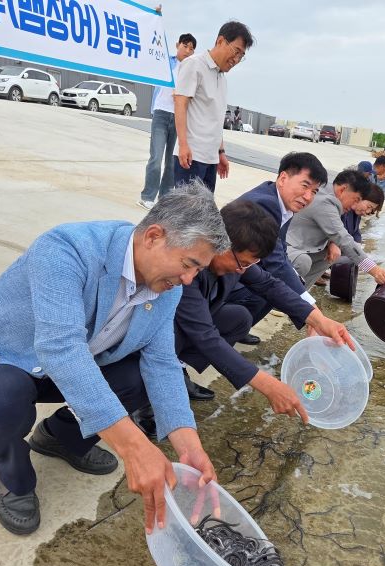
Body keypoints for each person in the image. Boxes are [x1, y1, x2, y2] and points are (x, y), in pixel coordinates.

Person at [0, 182, 229, 536]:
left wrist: (189, 447)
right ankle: (13, 477)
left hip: (77, 359)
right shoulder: (67, 248)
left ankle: (60, 438)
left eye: (198, 270)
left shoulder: (166, 285)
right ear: (154, 236)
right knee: (0, 400)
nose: (188, 279)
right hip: (6, 356)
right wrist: (134, 448)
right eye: (188, 264)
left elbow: (161, 362)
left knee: (137, 377)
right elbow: (60, 349)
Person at [174, 200, 354, 411]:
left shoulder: (238, 256)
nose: (243, 270)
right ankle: (148, 393)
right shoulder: (188, 271)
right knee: (170, 347)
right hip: (163, 332)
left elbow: (269, 284)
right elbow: (205, 335)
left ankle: (177, 368)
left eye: (249, 264)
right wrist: (268, 386)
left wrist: (318, 319)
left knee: (239, 319)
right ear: (222, 243)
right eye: (242, 263)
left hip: (196, 319)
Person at [224, 152, 328, 341]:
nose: (307, 197)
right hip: (223, 277)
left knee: (280, 285)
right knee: (270, 289)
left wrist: (307, 306)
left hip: (243, 272)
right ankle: (227, 333)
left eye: (314, 191)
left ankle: (238, 330)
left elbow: (281, 252)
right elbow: (276, 263)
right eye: (305, 186)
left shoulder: (282, 203)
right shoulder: (265, 204)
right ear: (283, 178)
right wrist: (312, 312)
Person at [174, 21, 254, 192]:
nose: (236, 59)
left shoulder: (222, 78)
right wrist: (183, 145)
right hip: (191, 157)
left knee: (205, 208)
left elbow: (215, 119)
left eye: (241, 56)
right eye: (236, 51)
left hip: (211, 159)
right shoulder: (194, 65)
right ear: (220, 41)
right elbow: (180, 104)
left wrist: (221, 152)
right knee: (185, 208)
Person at [286, 170, 385, 289]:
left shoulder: (331, 194)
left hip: (299, 244)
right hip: (283, 246)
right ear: (342, 190)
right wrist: (374, 270)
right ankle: (280, 294)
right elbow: (344, 239)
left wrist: (333, 242)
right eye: (356, 200)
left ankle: (299, 292)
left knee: (330, 255)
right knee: (303, 261)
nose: (354, 206)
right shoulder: (326, 203)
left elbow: (342, 235)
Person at [137, 33, 197, 211]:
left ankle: (164, 201)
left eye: (191, 48)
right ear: (177, 45)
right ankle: (147, 196)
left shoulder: (192, 70)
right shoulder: (166, 62)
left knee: (171, 163)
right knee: (156, 157)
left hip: (179, 117)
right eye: (185, 46)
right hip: (161, 113)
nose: (188, 51)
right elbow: (153, 53)